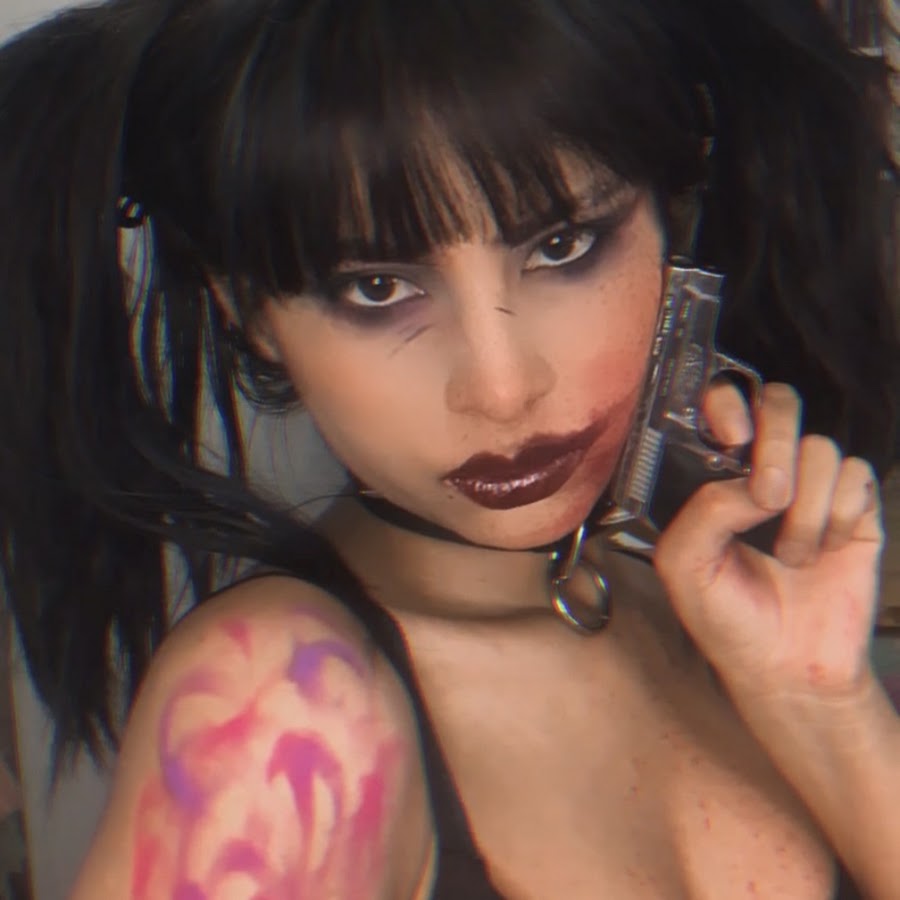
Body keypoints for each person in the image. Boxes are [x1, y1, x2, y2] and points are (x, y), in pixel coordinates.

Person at [1, 0, 898, 897]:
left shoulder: (714, 593)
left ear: (672, 222)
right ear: (248, 313)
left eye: (563, 246)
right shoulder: (283, 719)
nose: (502, 389)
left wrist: (821, 704)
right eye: (377, 287)